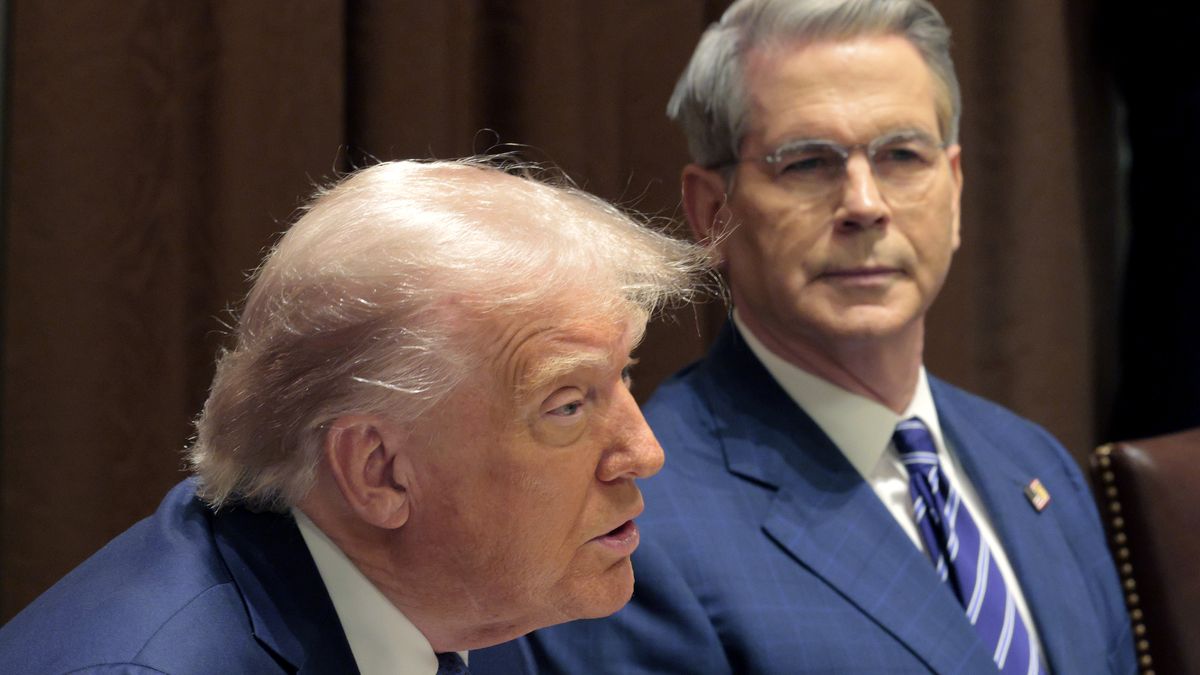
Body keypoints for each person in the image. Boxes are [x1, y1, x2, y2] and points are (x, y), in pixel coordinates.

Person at [480, 1, 1137, 673]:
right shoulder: (627, 524)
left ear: (956, 187)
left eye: (903, 155)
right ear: (712, 213)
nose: (864, 204)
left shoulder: (1036, 462)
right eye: (808, 163)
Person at [0, 158, 708, 674]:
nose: (643, 450)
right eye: (568, 404)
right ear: (379, 472)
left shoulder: (469, 604)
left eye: (623, 376)